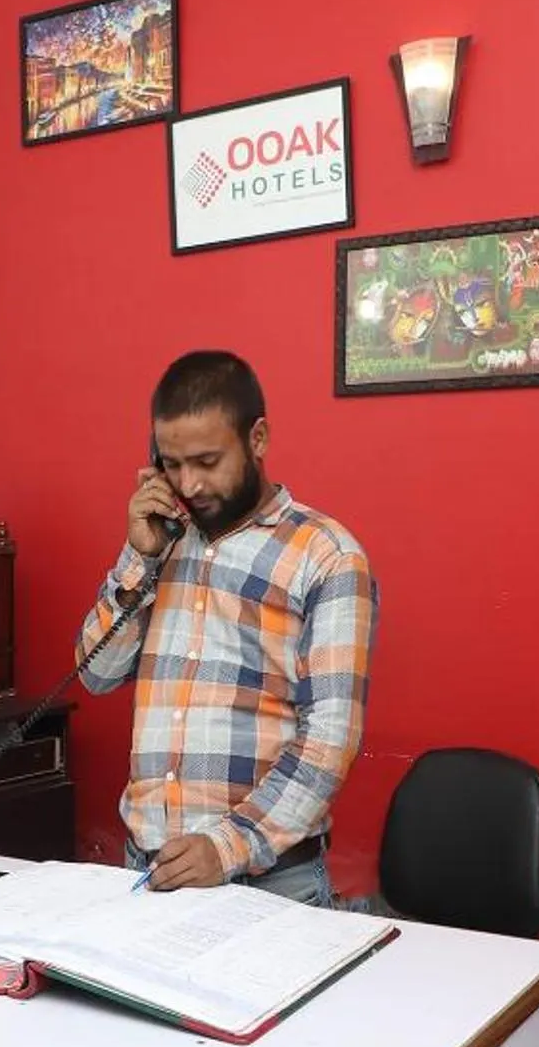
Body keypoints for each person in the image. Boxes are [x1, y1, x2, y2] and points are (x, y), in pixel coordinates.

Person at [76, 350, 376, 905]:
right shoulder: (160, 542)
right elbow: (95, 675)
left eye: (207, 461)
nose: (188, 484)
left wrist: (228, 846)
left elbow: (330, 739)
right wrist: (139, 558)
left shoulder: (328, 557)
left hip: (269, 883)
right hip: (148, 872)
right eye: (171, 464)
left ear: (257, 439)